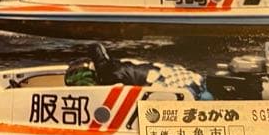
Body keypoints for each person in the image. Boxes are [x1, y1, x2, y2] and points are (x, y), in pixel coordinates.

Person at [64, 43, 211, 99]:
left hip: (181, 87)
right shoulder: (114, 65)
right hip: (189, 76)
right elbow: (97, 49)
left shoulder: (109, 76)